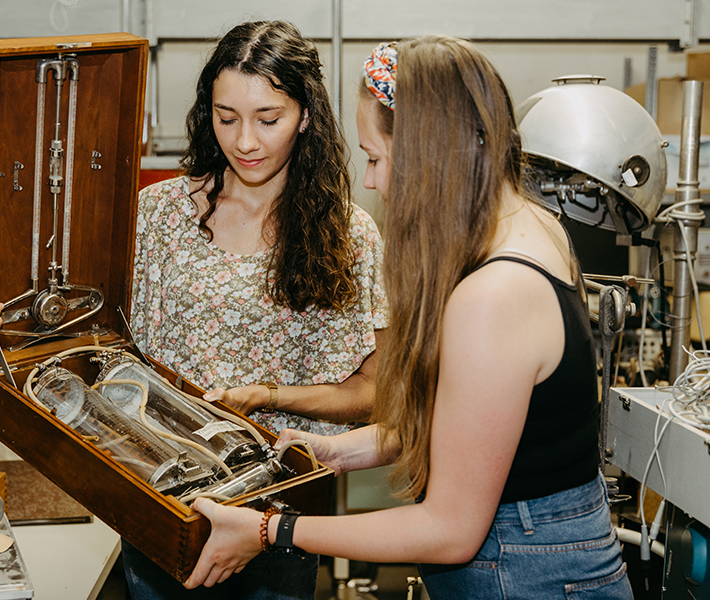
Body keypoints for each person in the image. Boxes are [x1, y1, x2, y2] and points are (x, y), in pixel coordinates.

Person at [0, 20, 387, 600]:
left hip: (270, 517)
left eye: (268, 119)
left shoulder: (349, 235)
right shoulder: (157, 215)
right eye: (226, 118)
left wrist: (267, 396)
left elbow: (372, 391)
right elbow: (56, 320)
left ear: (305, 116)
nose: (245, 142)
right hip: (155, 498)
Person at [183, 36, 634, 600]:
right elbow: (475, 429)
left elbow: (449, 532)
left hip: (523, 570)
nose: (370, 181)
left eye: (375, 158)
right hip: (545, 551)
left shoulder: (492, 297)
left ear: (429, 155)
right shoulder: (532, 228)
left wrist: (271, 530)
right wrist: (336, 450)